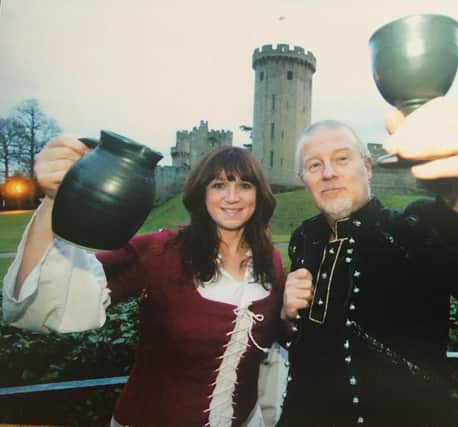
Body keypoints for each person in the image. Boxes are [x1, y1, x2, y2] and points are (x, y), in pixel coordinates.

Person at [277, 98, 458, 426]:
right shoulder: (304, 239)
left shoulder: (416, 228)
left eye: (341, 158)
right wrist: (287, 317)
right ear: (303, 178)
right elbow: (301, 343)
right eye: (314, 165)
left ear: (367, 167)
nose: (328, 173)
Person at [3, 142, 286, 426]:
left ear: (258, 194)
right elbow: (50, 301)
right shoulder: (160, 251)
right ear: (202, 193)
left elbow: (278, 339)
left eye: (245, 185)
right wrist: (53, 201)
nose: (233, 197)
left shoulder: (269, 261)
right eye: (219, 185)